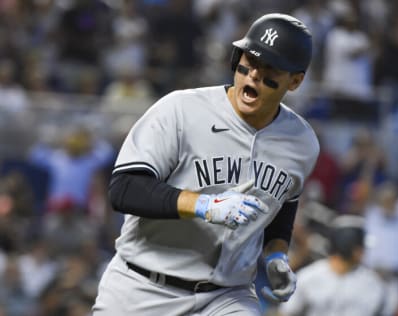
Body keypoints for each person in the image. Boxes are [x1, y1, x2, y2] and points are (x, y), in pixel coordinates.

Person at [92, 13, 319, 316]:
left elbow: (283, 203)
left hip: (227, 297)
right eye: (249, 61)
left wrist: (277, 255)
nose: (253, 75)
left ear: (295, 80)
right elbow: (124, 188)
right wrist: (204, 205)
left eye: (269, 68)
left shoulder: (302, 142)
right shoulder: (181, 110)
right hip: (143, 286)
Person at [278, 215, 385, 316]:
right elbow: (286, 312)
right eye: (360, 248)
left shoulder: (372, 283)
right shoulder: (309, 276)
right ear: (346, 244)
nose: (363, 252)